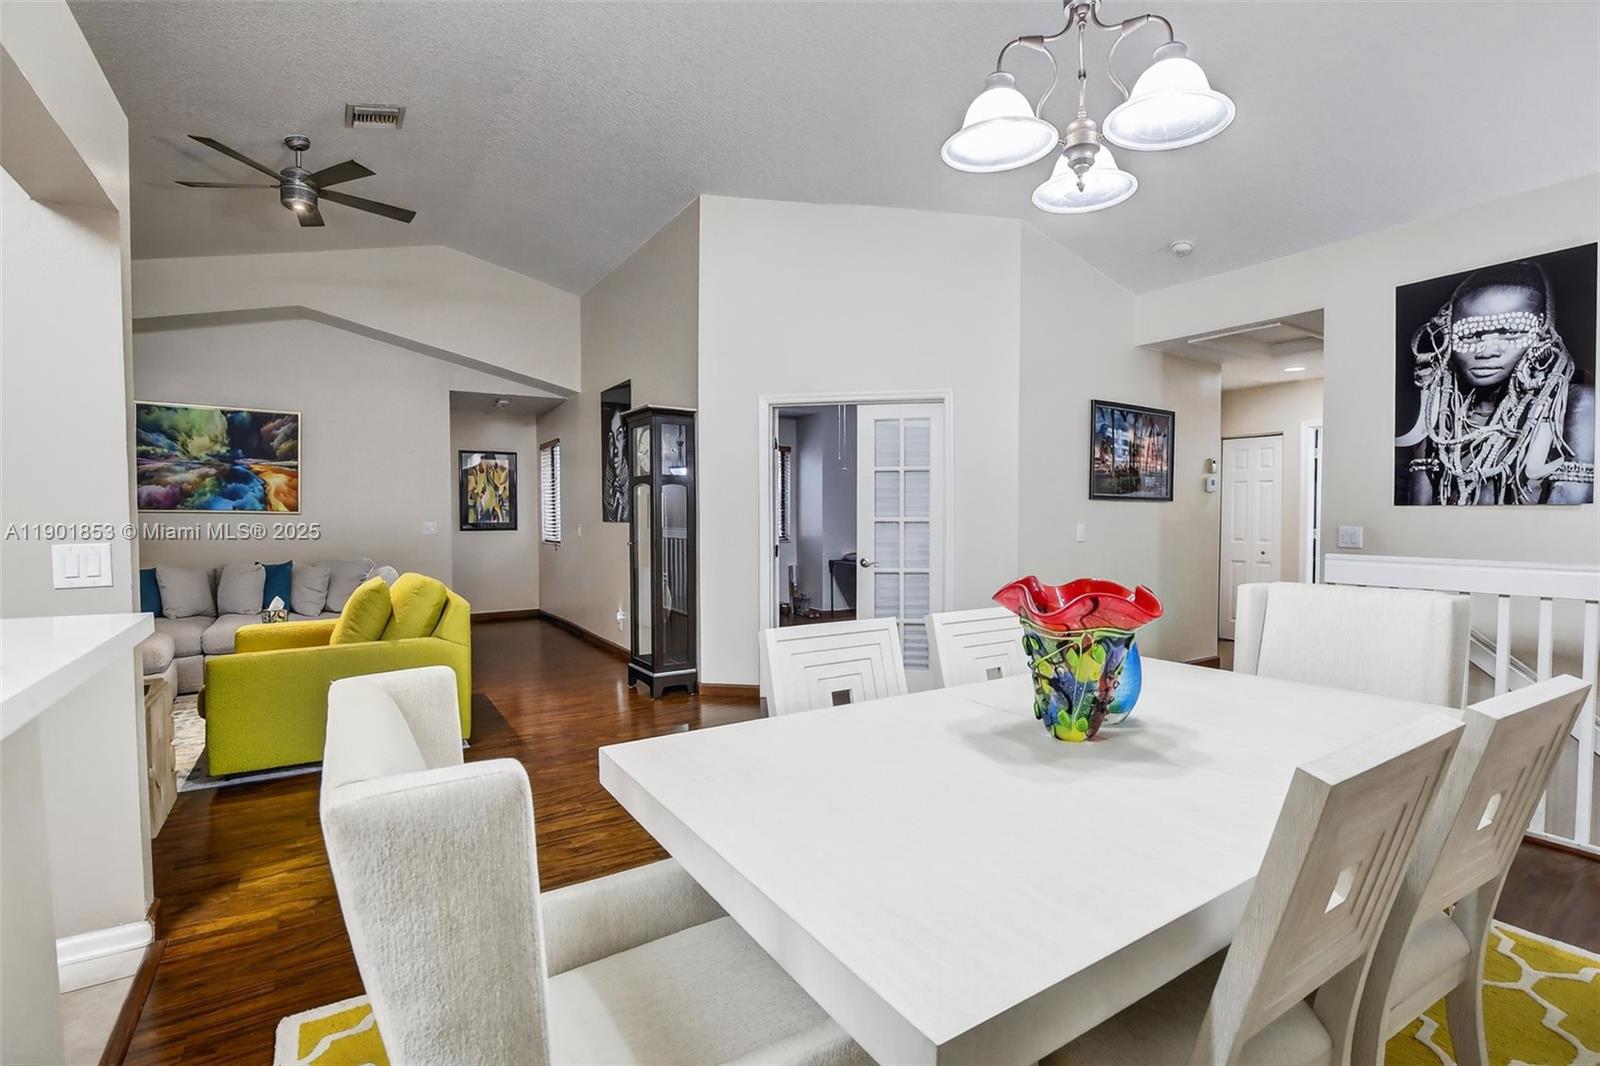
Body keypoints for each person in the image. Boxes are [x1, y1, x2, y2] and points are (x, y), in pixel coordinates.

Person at [1398, 260, 1595, 504]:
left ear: (1542, 333)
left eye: (1511, 332)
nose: (1486, 351)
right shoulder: (1437, 415)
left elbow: (1570, 513)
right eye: (1470, 334)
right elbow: (1418, 512)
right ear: (1448, 337)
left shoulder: (1576, 404)